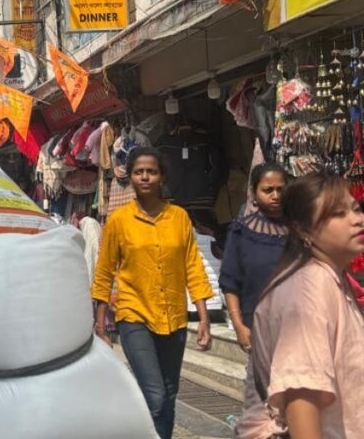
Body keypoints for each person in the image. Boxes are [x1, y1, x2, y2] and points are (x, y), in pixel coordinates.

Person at [91, 147, 214, 439]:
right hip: (134, 315)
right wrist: (100, 324)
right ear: (130, 177)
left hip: (174, 316)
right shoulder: (119, 221)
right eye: (138, 172)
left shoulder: (180, 217)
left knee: (169, 395)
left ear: (162, 177)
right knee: (156, 394)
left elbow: (193, 267)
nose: (145, 177)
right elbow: (105, 271)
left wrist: (205, 318)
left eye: (152, 171)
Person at [245, 173, 364, 439]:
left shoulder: (331, 280)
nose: (357, 220)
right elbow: (301, 395)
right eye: (338, 214)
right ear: (303, 229)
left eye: (356, 209)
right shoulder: (309, 291)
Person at [219, 164, 289, 437]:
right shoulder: (241, 232)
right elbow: (230, 282)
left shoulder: (301, 231)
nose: (275, 195)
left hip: (299, 330)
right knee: (258, 404)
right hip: (259, 331)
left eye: (280, 189)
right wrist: (238, 324)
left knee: (296, 405)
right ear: (255, 193)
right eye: (267, 190)